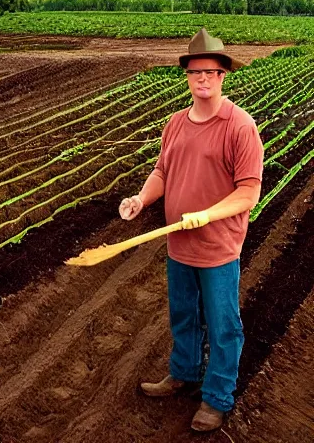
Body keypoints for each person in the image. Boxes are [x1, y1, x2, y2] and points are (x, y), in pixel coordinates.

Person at [119, 28, 264, 432]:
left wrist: (209, 214)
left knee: (223, 326)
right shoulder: (176, 123)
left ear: (222, 76)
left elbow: (249, 192)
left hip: (218, 248)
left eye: (210, 72)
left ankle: (216, 397)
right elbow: (163, 170)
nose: (202, 79)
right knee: (184, 316)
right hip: (179, 245)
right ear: (187, 76)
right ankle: (183, 372)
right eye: (195, 72)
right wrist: (141, 200)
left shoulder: (239, 126)